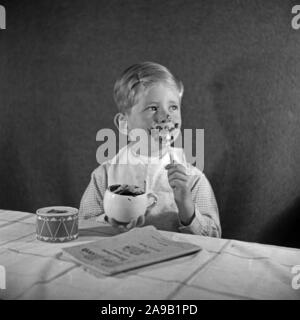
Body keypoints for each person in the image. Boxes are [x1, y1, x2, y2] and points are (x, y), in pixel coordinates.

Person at [79, 61, 221, 236]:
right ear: (124, 124)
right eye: (153, 108)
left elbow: (214, 236)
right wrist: (109, 222)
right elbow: (83, 224)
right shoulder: (104, 175)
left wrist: (187, 208)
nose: (166, 116)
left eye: (173, 107)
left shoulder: (193, 179)